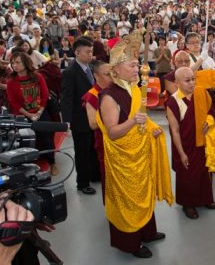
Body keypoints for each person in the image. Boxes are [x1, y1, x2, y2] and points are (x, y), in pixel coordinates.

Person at [97, 30, 173, 258]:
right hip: (123, 158)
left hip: (140, 151)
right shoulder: (109, 96)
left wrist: (151, 127)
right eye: (132, 65)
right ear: (116, 69)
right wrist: (133, 121)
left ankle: (147, 231)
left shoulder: (133, 88)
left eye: (136, 64)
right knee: (128, 198)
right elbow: (112, 133)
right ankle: (129, 243)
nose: (137, 68)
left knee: (144, 190)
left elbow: (143, 118)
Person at [165, 67, 215, 220]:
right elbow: (174, 130)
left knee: (204, 173)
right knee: (187, 175)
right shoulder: (172, 102)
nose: (192, 83)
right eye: (187, 80)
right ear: (176, 83)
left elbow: (210, 111)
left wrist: (209, 122)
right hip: (185, 145)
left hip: (203, 142)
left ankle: (205, 199)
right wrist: (181, 153)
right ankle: (188, 204)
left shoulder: (201, 92)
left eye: (193, 79)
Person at [60, 37, 100, 195]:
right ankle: (82, 183)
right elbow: (66, 98)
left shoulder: (90, 67)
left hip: (92, 117)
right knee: (82, 152)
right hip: (79, 118)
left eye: (92, 51)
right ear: (77, 53)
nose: (91, 54)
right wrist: (67, 122)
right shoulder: (70, 72)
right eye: (88, 52)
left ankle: (94, 175)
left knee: (93, 148)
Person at [82, 60, 113, 202]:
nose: (111, 77)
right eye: (107, 74)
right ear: (96, 76)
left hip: (120, 141)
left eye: (113, 73)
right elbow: (93, 124)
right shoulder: (92, 95)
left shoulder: (115, 90)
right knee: (109, 177)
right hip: (105, 141)